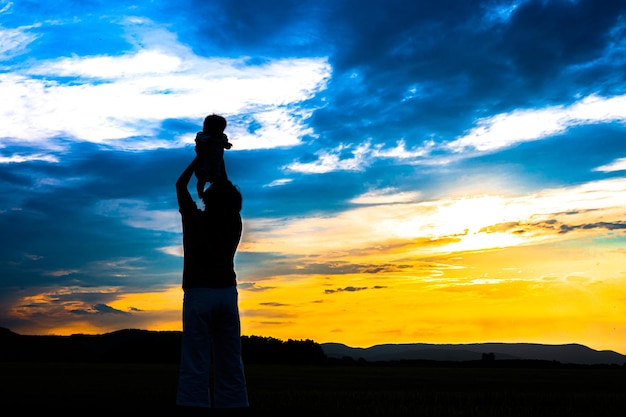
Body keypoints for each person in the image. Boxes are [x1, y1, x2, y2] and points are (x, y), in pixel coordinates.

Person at [175, 154, 249, 414]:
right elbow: (224, 187)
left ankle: (193, 407)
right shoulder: (234, 223)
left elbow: (180, 185)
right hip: (227, 295)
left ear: (208, 198)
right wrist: (216, 158)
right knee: (230, 360)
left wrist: (200, 157)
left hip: (198, 294)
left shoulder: (195, 220)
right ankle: (235, 406)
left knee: (195, 360)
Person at [194, 114, 233, 199]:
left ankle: (221, 196)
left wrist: (226, 144)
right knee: (202, 179)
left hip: (217, 163)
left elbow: (226, 145)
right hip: (203, 163)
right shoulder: (202, 135)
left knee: (221, 180)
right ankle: (200, 193)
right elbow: (200, 142)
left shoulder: (221, 137)